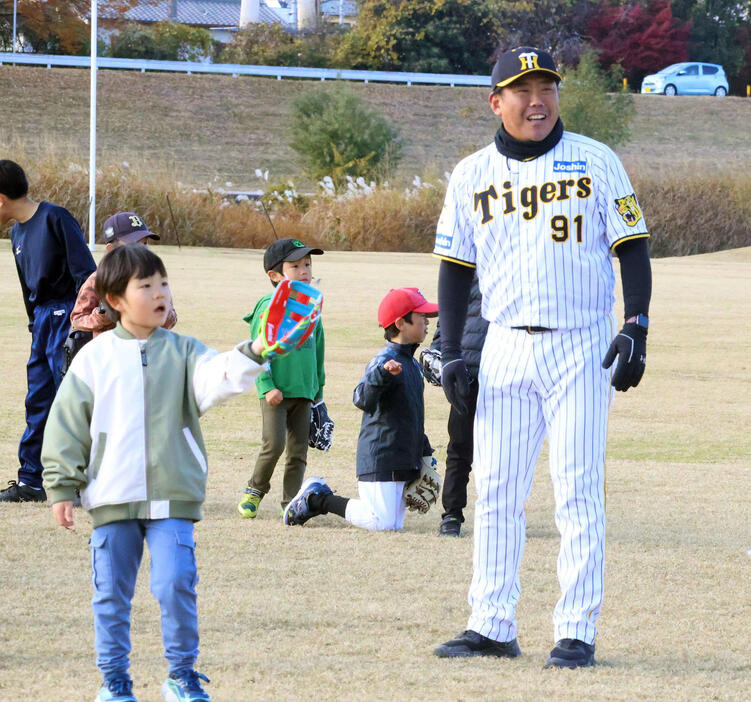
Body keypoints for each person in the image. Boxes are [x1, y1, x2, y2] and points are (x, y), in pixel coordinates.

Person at [432, 47, 651, 668]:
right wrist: (452, 353)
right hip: (503, 344)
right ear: (495, 101)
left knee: (577, 489)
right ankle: (491, 623)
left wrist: (635, 324)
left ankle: (576, 628)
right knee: (496, 488)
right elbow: (453, 270)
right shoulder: (471, 174)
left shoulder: (597, 160)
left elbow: (632, 247)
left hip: (580, 342)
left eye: (547, 86)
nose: (537, 100)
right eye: (522, 89)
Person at [41, 245, 291, 702]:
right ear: (114, 299)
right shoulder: (93, 360)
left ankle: (181, 675)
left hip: (173, 496)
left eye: (164, 283)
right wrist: (61, 485)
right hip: (113, 496)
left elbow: (219, 377)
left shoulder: (185, 352)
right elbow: (66, 427)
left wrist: (256, 348)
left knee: (176, 584)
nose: (160, 293)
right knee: (111, 595)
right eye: (146, 286)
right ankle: (114, 680)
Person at [283, 287, 437, 531]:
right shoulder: (384, 361)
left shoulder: (412, 365)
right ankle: (316, 498)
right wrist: (382, 375)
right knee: (381, 522)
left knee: (393, 525)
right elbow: (361, 399)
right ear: (401, 323)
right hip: (381, 456)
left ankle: (318, 498)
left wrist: (425, 452)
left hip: (402, 457)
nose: (427, 322)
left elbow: (411, 415)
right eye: (421, 316)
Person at [0, 159, 96, 503]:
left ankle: (85, 482)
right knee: (38, 400)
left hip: (66, 316)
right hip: (41, 323)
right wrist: (34, 326)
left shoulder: (55, 218)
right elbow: (29, 291)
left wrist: (80, 324)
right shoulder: (16, 233)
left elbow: (86, 272)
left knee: (71, 402)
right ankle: (32, 481)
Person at [237, 238, 326, 519]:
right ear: (274, 275)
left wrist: (318, 392)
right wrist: (267, 386)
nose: (304, 271)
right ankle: (255, 489)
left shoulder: (311, 307)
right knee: (273, 445)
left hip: (303, 392)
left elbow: (318, 353)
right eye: (295, 265)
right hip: (276, 392)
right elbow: (256, 349)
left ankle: (291, 503)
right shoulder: (268, 306)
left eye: (307, 264)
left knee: (298, 452)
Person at [429, 272, 488, 537]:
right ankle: (452, 514)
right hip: (468, 373)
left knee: (505, 452)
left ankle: (500, 512)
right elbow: (450, 310)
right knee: (460, 448)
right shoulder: (467, 268)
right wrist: (439, 347)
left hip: (508, 372)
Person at [70, 211, 177, 337]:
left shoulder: (153, 278)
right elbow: (77, 319)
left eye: (145, 243)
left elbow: (171, 320)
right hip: (110, 353)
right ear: (111, 249)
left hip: (149, 350)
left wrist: (159, 310)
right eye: (133, 244)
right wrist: (103, 314)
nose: (142, 249)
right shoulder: (99, 279)